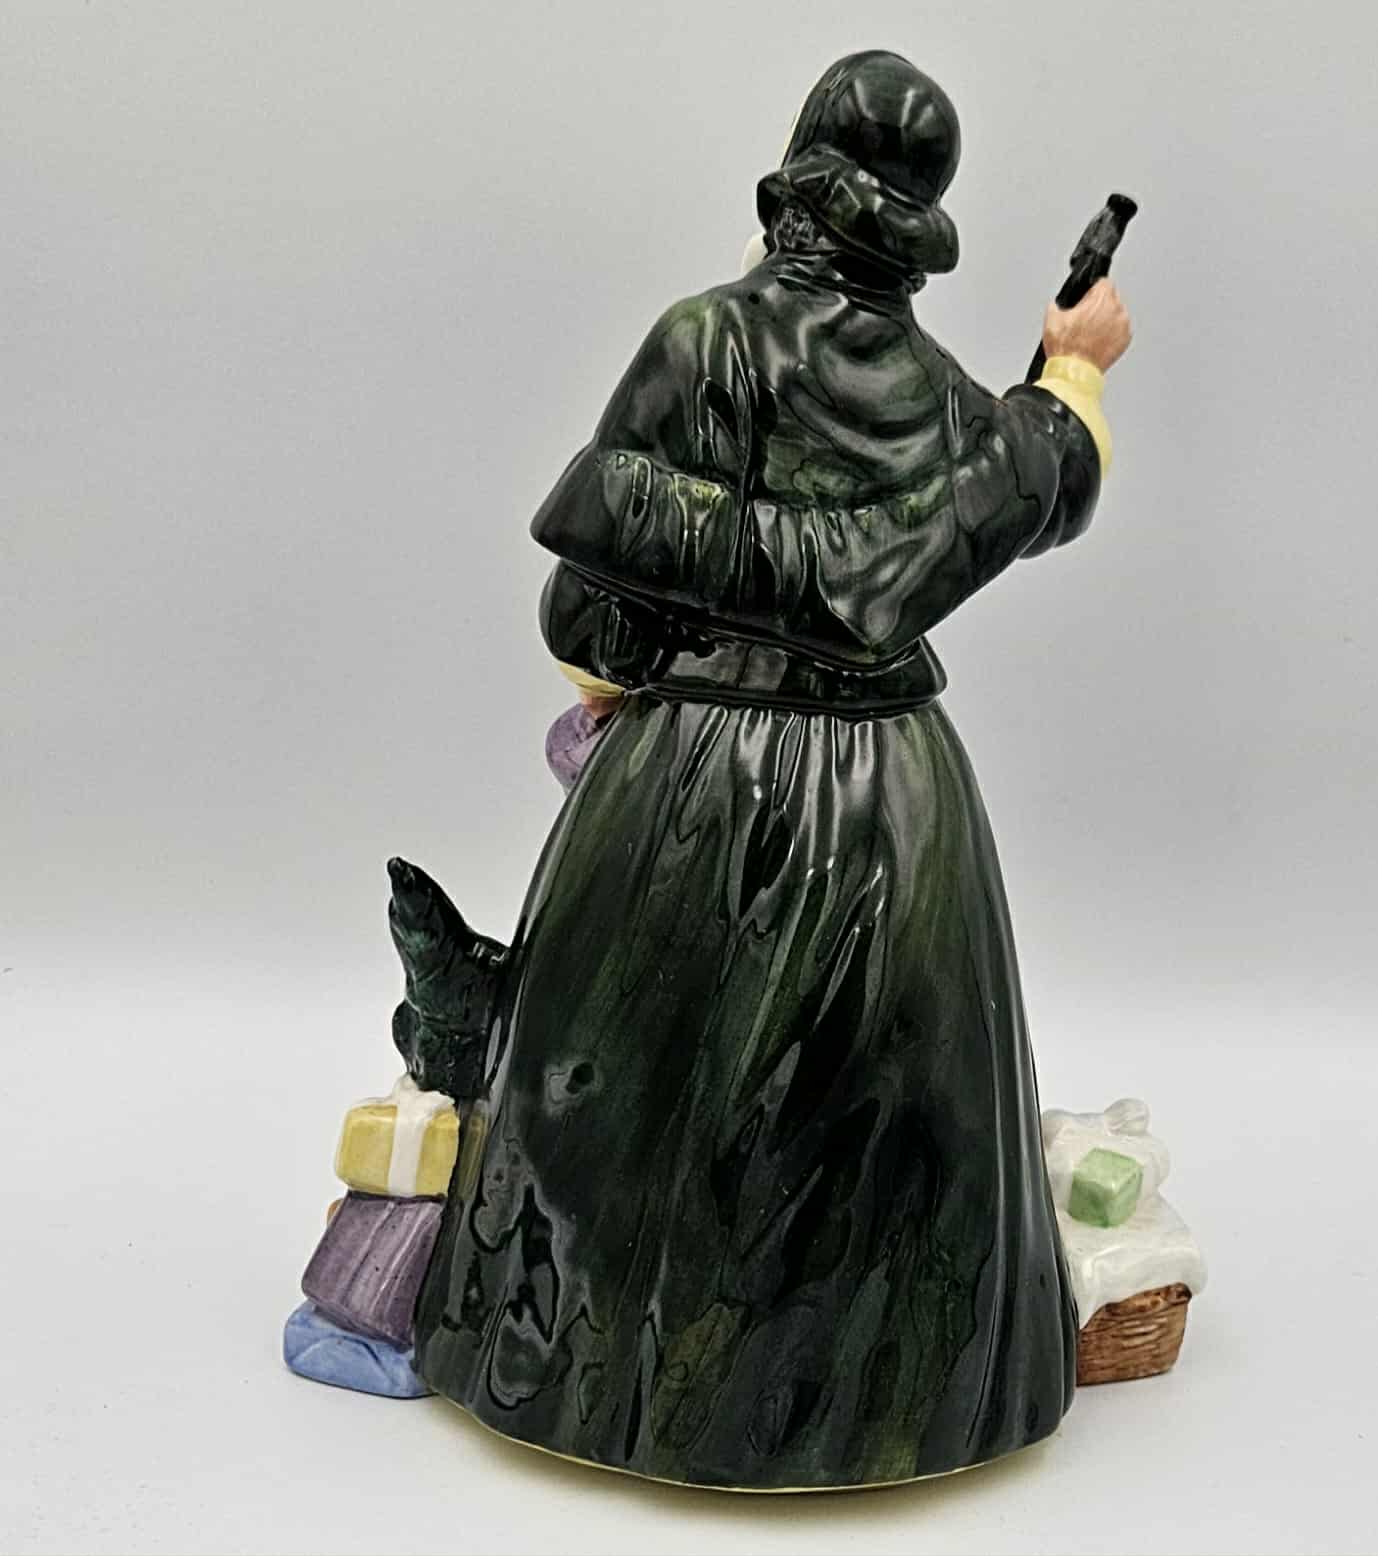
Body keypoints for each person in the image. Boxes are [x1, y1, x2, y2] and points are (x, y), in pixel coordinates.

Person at [412, 48, 1132, 1491]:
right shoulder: (950, 403)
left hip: (698, 775)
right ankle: (891, 1402)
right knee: (879, 1113)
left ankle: (613, 1387)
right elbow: (1038, 488)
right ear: (918, 233)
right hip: (896, 798)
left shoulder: (704, 342)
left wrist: (620, 669)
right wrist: (1071, 372)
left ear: (793, 185)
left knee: (643, 1093)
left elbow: (591, 611)